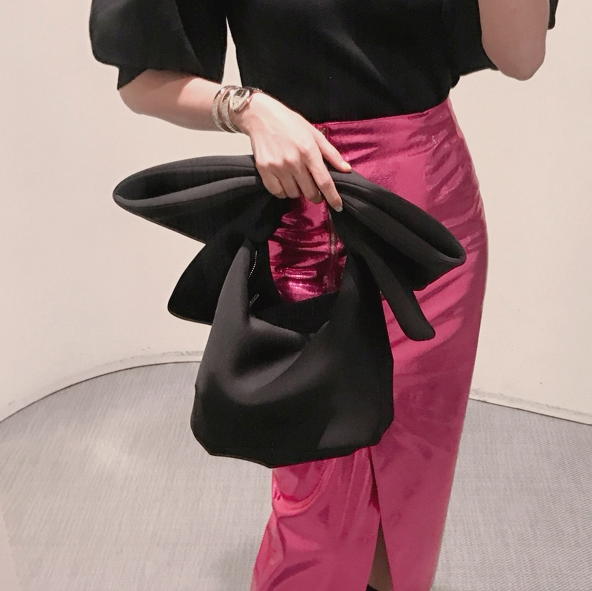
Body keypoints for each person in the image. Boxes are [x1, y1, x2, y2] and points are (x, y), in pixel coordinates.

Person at [89, 0, 560, 589]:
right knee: (316, 485)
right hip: (306, 217)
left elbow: (520, 56)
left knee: (419, 460)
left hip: (429, 217)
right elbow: (142, 80)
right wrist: (248, 109)